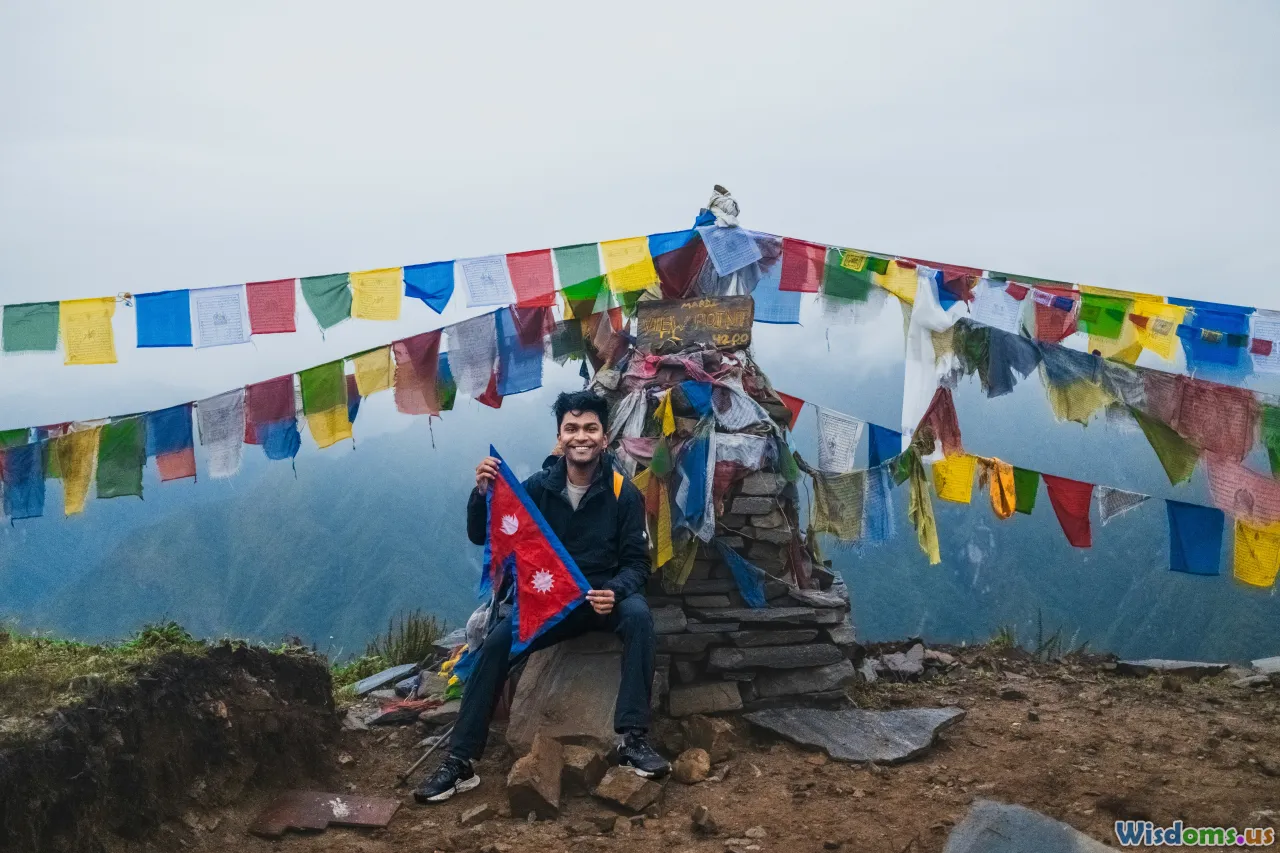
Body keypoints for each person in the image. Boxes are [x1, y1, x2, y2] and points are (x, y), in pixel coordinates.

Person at [415, 390, 670, 804]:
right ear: (560, 436)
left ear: (605, 438)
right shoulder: (537, 489)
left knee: (639, 617)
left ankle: (632, 738)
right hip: (551, 603)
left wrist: (616, 591)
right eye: (572, 428)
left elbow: (638, 565)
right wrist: (481, 494)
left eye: (590, 428)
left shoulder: (624, 492)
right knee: (497, 642)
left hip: (604, 599)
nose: (581, 437)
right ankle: (460, 762)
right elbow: (484, 535)